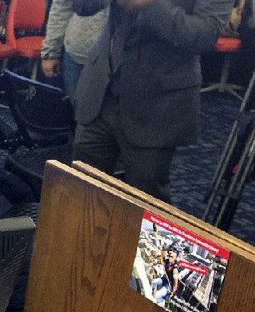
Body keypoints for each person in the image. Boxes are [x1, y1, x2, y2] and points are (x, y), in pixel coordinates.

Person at [72, 0, 231, 203]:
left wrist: (148, 4)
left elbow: (203, 36)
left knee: (144, 203)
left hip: (156, 104)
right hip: (100, 93)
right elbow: (82, 7)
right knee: (80, 191)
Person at [40, 0, 108, 100]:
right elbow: (61, 7)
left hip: (122, 60)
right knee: (78, 111)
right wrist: (50, 52)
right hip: (77, 56)